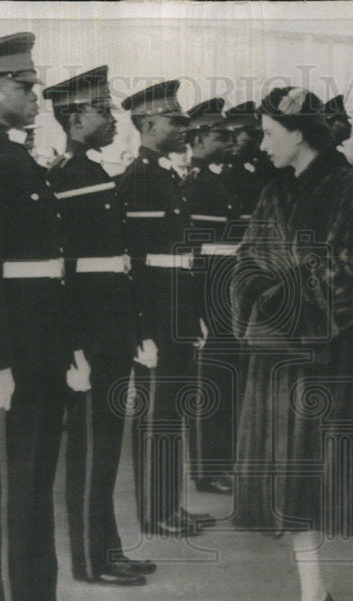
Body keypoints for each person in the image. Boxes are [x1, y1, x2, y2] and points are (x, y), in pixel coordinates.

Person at [232, 87, 353, 601]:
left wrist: (286, 300)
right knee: (292, 483)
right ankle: (313, 597)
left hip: (341, 360)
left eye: (269, 133)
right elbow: (249, 260)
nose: (262, 143)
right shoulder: (274, 191)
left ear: (298, 132)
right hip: (281, 359)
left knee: (349, 481)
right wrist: (260, 295)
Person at [0, 32, 95, 601]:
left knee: (37, 482)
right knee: (18, 488)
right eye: (25, 86)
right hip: (15, 352)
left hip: (42, 346)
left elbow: (48, 267)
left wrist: (66, 350)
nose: (36, 94)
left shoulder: (16, 158)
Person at [42, 65, 154, 586]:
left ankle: (106, 549)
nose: (112, 119)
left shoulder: (92, 171)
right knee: (91, 449)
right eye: (102, 111)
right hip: (91, 332)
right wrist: (74, 347)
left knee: (107, 445)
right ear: (74, 117)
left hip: (111, 327)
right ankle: (90, 560)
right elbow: (63, 271)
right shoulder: (66, 175)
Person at [117, 80, 214, 537]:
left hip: (174, 304)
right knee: (157, 413)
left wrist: (191, 311)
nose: (184, 127)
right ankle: (156, 513)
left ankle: (170, 505)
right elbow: (134, 260)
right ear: (148, 124)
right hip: (156, 309)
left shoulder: (165, 174)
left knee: (171, 409)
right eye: (175, 121)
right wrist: (141, 328)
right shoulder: (137, 177)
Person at [181, 97, 237, 496]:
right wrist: (199, 307)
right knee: (212, 382)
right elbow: (195, 251)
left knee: (226, 378)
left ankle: (223, 462)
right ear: (199, 138)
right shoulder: (197, 184)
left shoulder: (216, 179)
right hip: (212, 289)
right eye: (221, 134)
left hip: (228, 287)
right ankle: (208, 467)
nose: (230, 139)